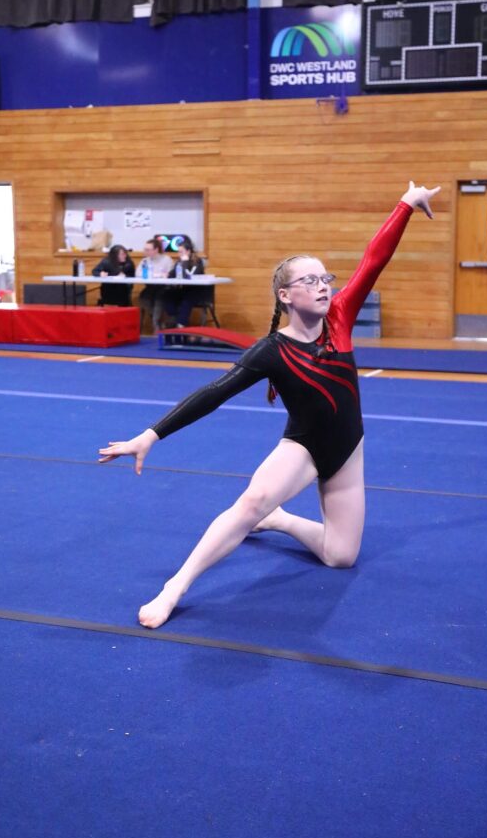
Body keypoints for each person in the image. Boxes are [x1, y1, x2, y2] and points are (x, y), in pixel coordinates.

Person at [99, 182, 440, 629]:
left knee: (340, 557)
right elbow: (212, 394)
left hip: (348, 450)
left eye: (325, 279)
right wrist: (148, 436)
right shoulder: (270, 351)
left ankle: (280, 520)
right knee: (251, 501)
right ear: (286, 295)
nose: (323, 286)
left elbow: (373, 260)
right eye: (310, 280)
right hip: (303, 448)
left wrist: (406, 205)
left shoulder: (340, 316)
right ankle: (176, 586)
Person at [163, 238, 206, 327]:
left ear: (188, 251)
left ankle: (181, 324)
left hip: (195, 291)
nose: (179, 254)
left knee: (186, 301)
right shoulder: (179, 262)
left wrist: (185, 262)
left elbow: (189, 277)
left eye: (181, 252)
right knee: (167, 295)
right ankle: (174, 319)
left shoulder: (197, 262)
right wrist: (166, 274)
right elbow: (172, 274)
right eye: (178, 252)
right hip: (182, 289)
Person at [136, 237, 173, 332]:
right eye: (145, 249)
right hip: (150, 287)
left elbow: (170, 274)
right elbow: (138, 273)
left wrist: (159, 275)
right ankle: (157, 320)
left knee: (159, 298)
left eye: (148, 250)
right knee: (143, 297)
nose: (145, 252)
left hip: (165, 287)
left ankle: (155, 324)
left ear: (156, 250)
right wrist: (155, 275)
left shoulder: (166, 259)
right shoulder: (145, 260)